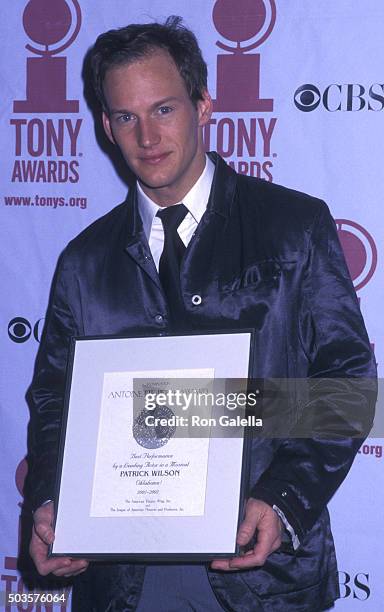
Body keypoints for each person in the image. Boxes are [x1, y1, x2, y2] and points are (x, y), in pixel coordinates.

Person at [27, 16, 376, 612]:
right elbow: (56, 404)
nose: (147, 136)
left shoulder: (294, 228)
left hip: (261, 577)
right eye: (126, 117)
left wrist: (283, 500)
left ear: (204, 104)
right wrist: (48, 504)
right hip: (118, 581)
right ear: (107, 127)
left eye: (163, 109)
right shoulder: (83, 260)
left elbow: (348, 386)